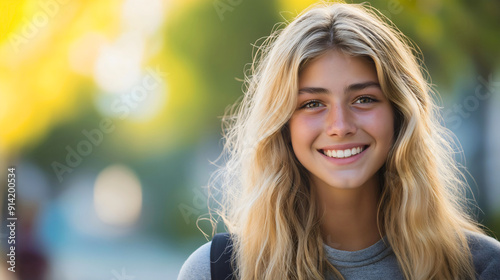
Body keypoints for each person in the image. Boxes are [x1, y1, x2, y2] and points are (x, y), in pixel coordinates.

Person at [178, 2, 500, 279]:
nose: (340, 126)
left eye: (364, 99)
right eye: (312, 104)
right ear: (282, 126)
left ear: (399, 114)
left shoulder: (480, 267)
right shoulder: (218, 271)